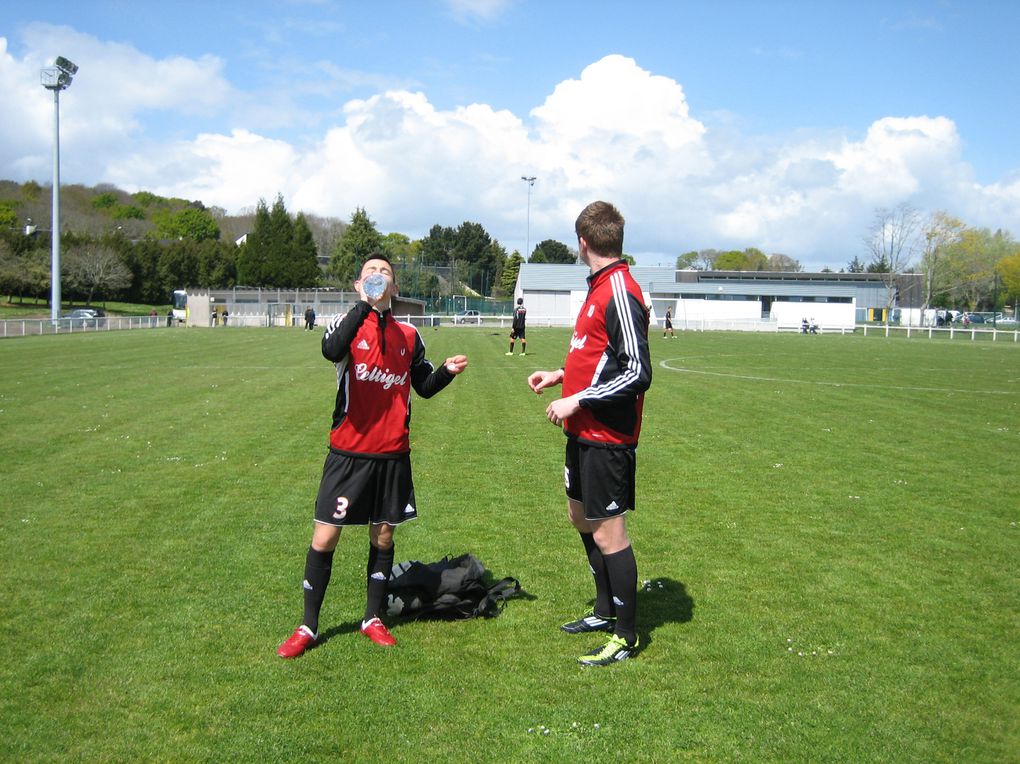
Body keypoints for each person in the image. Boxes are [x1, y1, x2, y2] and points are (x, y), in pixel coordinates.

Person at [277, 253, 469, 658]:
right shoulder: (346, 325)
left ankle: (372, 618)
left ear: (396, 288)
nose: (379, 277)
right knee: (325, 536)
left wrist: (447, 373)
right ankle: (308, 626)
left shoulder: (409, 335)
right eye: (370, 273)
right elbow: (330, 350)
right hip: (348, 452)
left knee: (383, 535)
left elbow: (425, 386)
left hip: (393, 455)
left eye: (385, 274)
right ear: (357, 285)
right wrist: (365, 304)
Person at [527, 201, 651, 666]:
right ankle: (604, 609)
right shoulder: (598, 288)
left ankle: (626, 635)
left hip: (607, 437)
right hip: (582, 432)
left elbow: (638, 372)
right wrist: (561, 375)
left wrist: (577, 400)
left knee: (610, 535)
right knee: (580, 519)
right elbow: (599, 358)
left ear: (583, 243)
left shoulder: (620, 289)